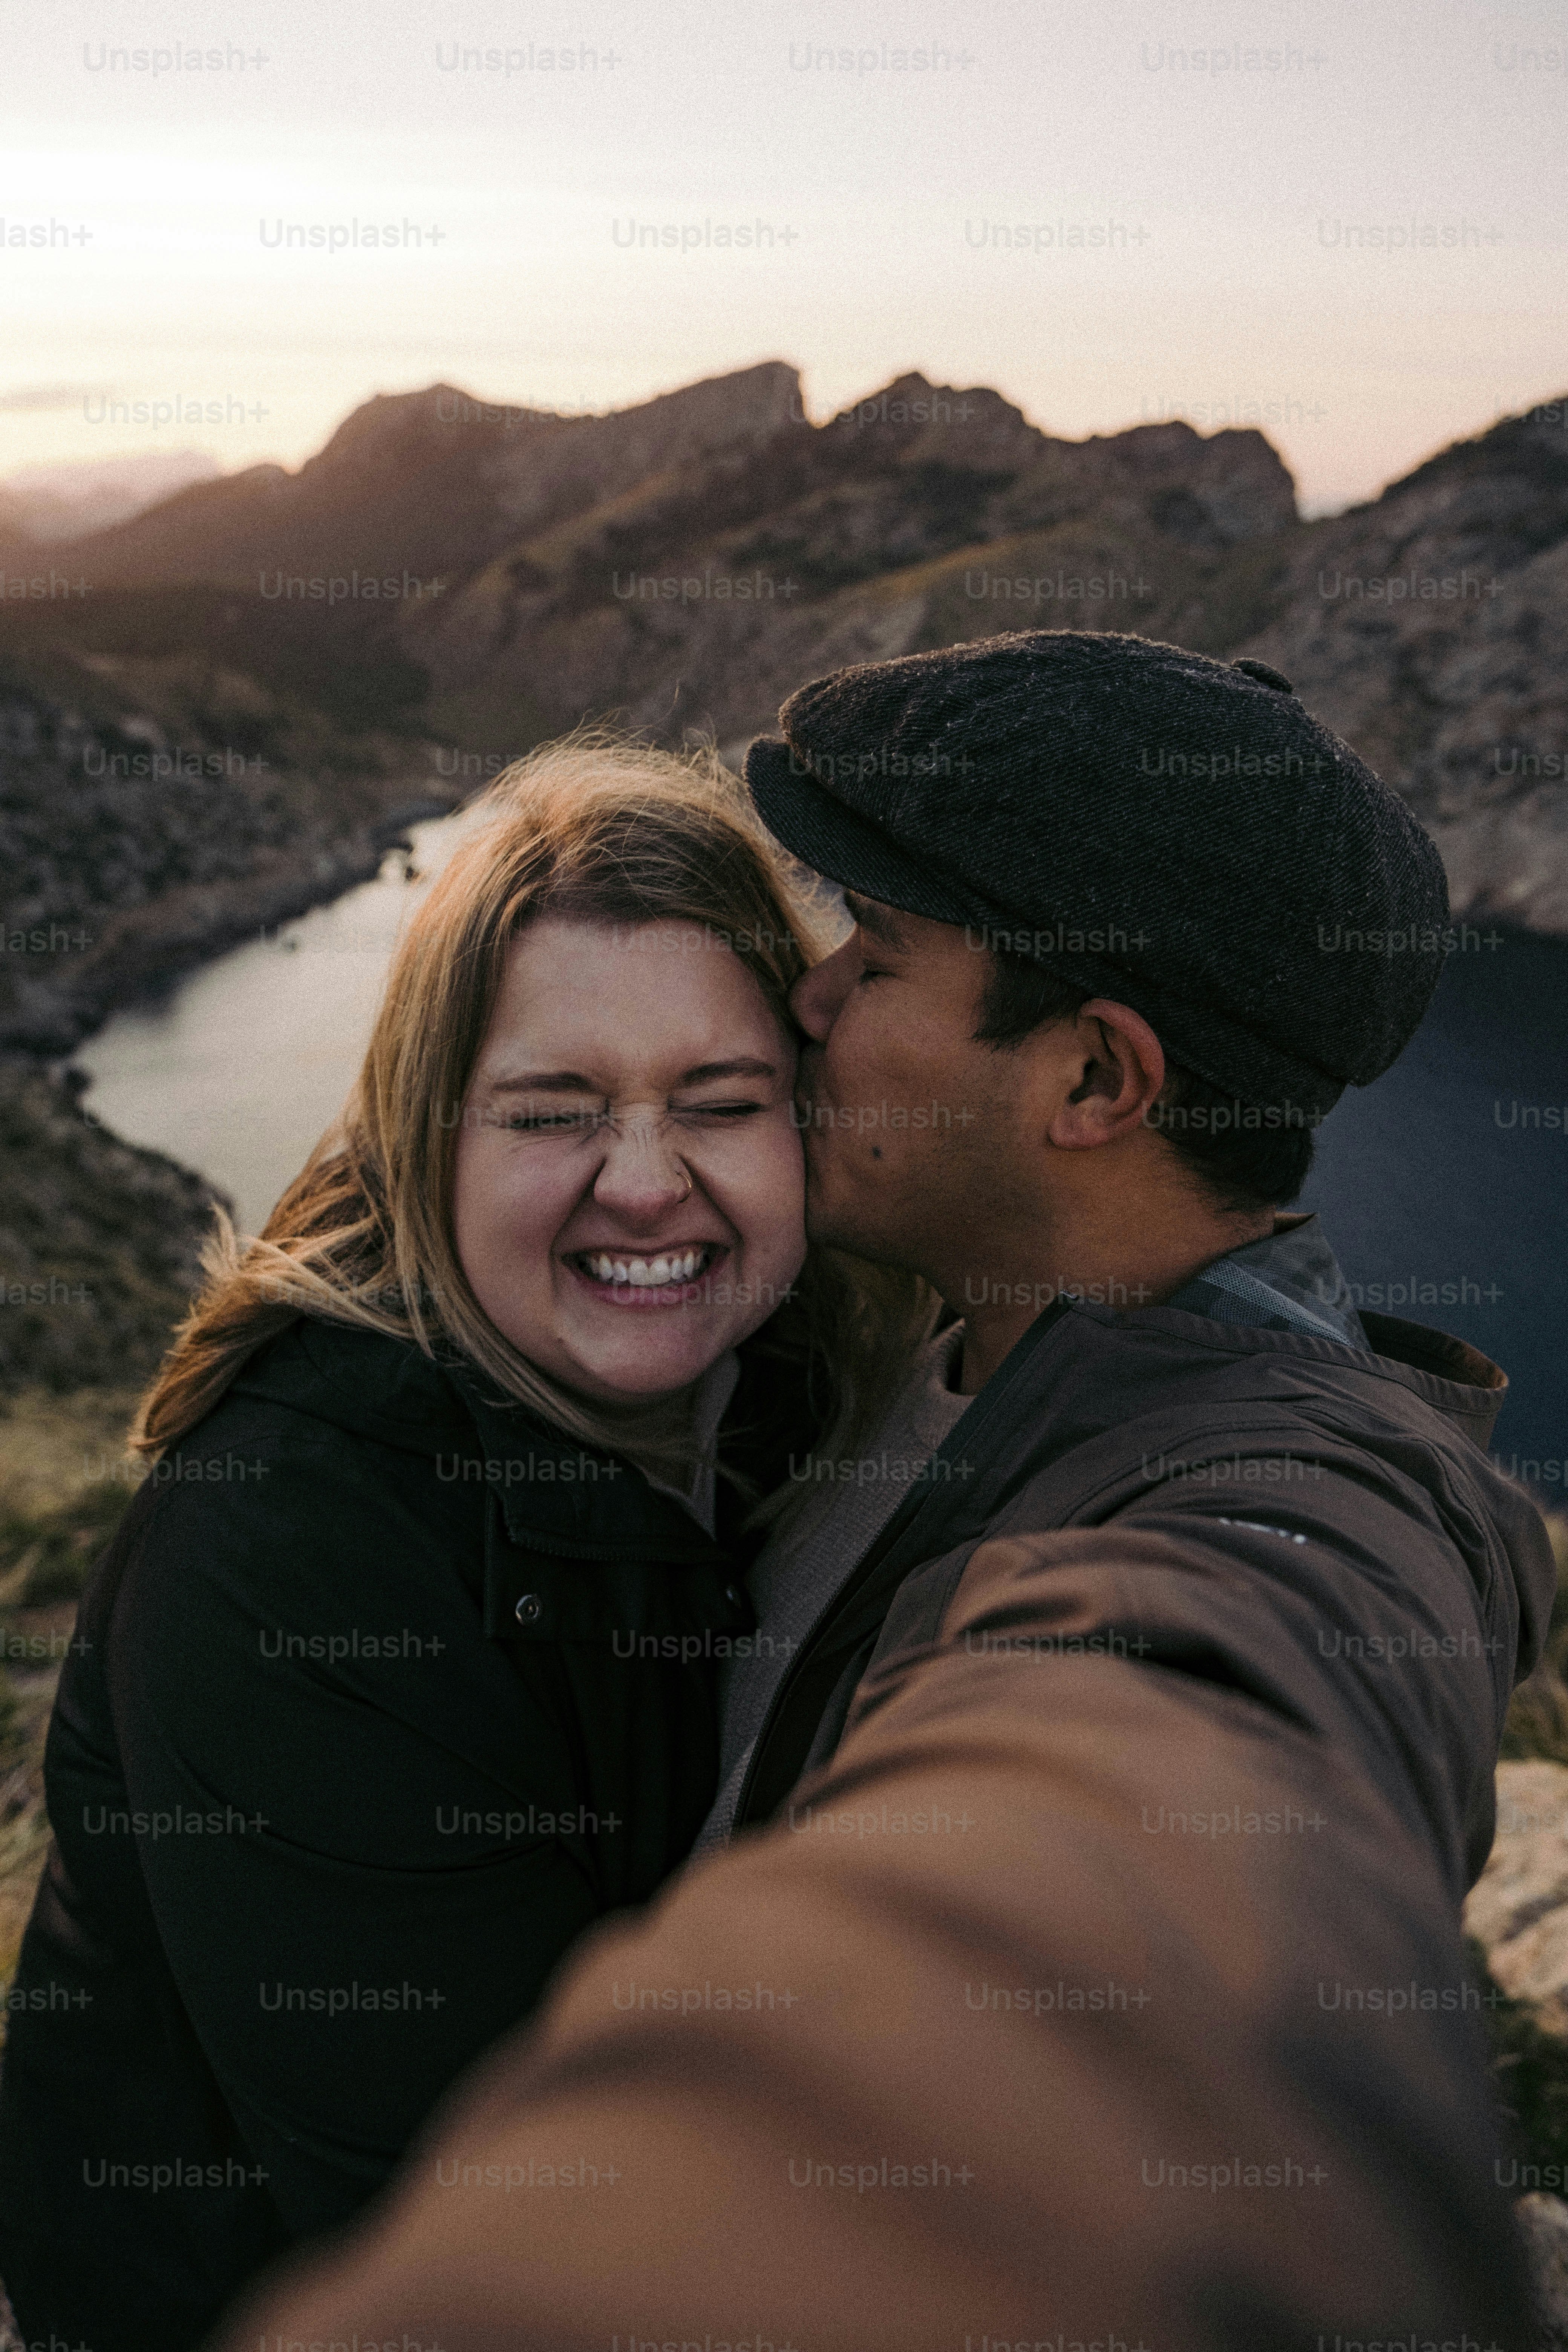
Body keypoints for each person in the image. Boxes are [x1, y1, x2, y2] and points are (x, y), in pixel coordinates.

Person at [211, 631, 1556, 2352]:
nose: (810, 1000)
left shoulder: (1294, 1491)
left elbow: (1183, 1722)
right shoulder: (886, 1343)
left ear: (1089, 1081)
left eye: (882, 956)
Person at [0, 736, 927, 2352]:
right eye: (549, 1112)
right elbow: (497, 2235)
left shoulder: (788, 1384)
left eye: (719, 1102)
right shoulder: (293, 1548)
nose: (645, 1184)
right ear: (424, 1138)